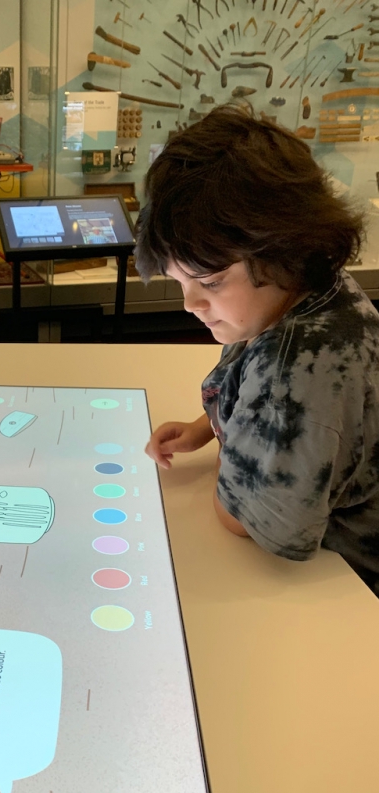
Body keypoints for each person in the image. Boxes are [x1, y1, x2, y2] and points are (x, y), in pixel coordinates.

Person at [135, 103, 379, 597]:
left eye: (209, 280)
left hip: (344, 586)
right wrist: (210, 427)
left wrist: (240, 456)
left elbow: (245, 521)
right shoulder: (303, 291)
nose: (190, 303)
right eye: (178, 280)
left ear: (285, 246)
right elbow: (251, 387)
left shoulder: (299, 376)